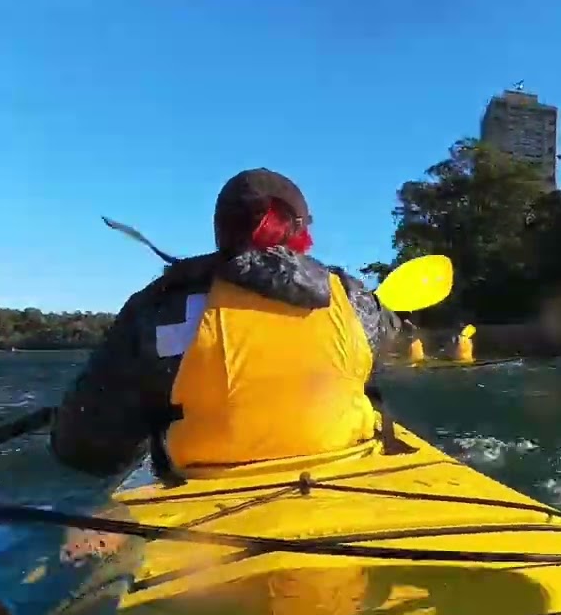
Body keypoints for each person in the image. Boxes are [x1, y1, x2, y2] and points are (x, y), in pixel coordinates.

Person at [52, 169, 404, 480]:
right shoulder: (355, 300)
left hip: (205, 486)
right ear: (298, 232)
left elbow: (85, 447)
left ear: (220, 230)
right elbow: (383, 343)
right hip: (345, 471)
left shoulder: (157, 307)